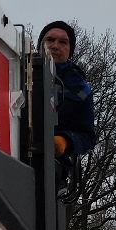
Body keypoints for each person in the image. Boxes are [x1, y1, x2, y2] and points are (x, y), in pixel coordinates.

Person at [40, 21, 96, 195]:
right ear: (41, 45)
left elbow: (88, 136)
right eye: (50, 40)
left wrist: (65, 142)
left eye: (63, 42)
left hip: (54, 167)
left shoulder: (81, 89)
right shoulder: (15, 70)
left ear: (70, 50)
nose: (55, 46)